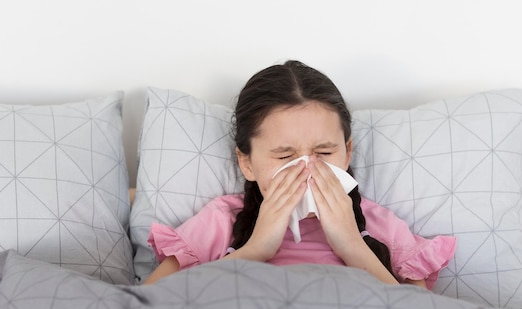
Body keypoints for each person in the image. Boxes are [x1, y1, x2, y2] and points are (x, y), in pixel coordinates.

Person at [144, 60, 456, 288]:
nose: (307, 168)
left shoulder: (380, 226)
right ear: (247, 163)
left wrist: (351, 244)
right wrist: (256, 249)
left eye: (323, 153)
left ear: (347, 153)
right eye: (284, 155)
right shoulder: (222, 220)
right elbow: (146, 307)